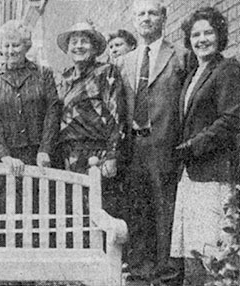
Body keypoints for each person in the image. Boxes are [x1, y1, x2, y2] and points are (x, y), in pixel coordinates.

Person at [115, 0, 191, 284]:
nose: (146, 19)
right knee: (138, 209)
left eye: (152, 13)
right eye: (141, 14)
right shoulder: (123, 62)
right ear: (134, 21)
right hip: (134, 146)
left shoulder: (181, 56)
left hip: (166, 146)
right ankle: (139, 272)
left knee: (166, 211)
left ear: (164, 17)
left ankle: (168, 276)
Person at [170, 7, 240, 285]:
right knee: (193, 249)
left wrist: (191, 147)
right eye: (195, 34)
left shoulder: (228, 70)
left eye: (208, 32)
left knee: (213, 250)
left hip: (214, 173)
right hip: (192, 174)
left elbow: (232, 118)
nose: (202, 39)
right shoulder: (194, 73)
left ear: (220, 35)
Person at [54, 22, 125, 216]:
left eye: (84, 41)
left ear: (94, 47)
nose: (78, 46)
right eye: (74, 42)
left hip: (97, 153)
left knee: (99, 209)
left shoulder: (106, 72)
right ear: (67, 48)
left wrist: (112, 155)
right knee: (74, 211)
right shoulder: (64, 78)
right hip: (68, 154)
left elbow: (115, 113)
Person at [0, 20, 60, 176]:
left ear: (26, 46)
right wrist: (4, 156)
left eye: (16, 45)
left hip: (40, 156)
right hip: (8, 159)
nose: (11, 51)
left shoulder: (43, 74)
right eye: (6, 46)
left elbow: (53, 112)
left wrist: (45, 150)